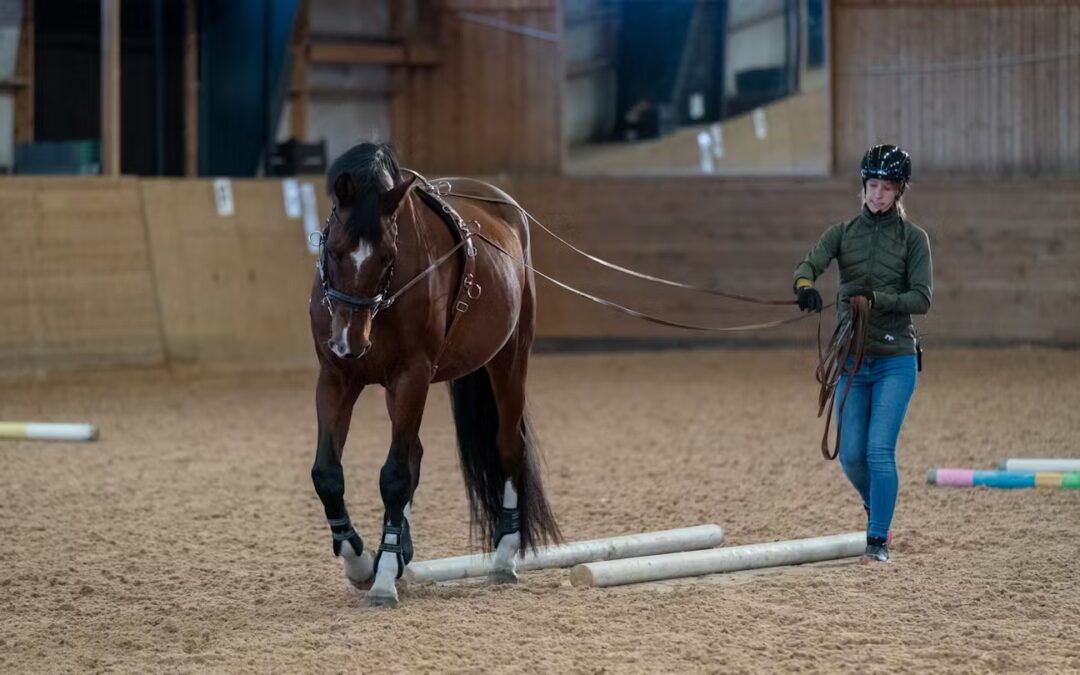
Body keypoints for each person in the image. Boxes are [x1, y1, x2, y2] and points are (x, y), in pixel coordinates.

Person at [792, 144, 933, 563]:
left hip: (895, 359)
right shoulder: (842, 233)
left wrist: (876, 298)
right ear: (864, 186)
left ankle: (877, 539)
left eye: (887, 188)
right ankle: (878, 509)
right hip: (853, 360)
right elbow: (810, 264)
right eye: (873, 185)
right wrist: (804, 288)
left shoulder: (914, 240)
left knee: (878, 451)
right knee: (851, 455)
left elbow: (922, 298)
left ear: (899, 191)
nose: (878, 195)